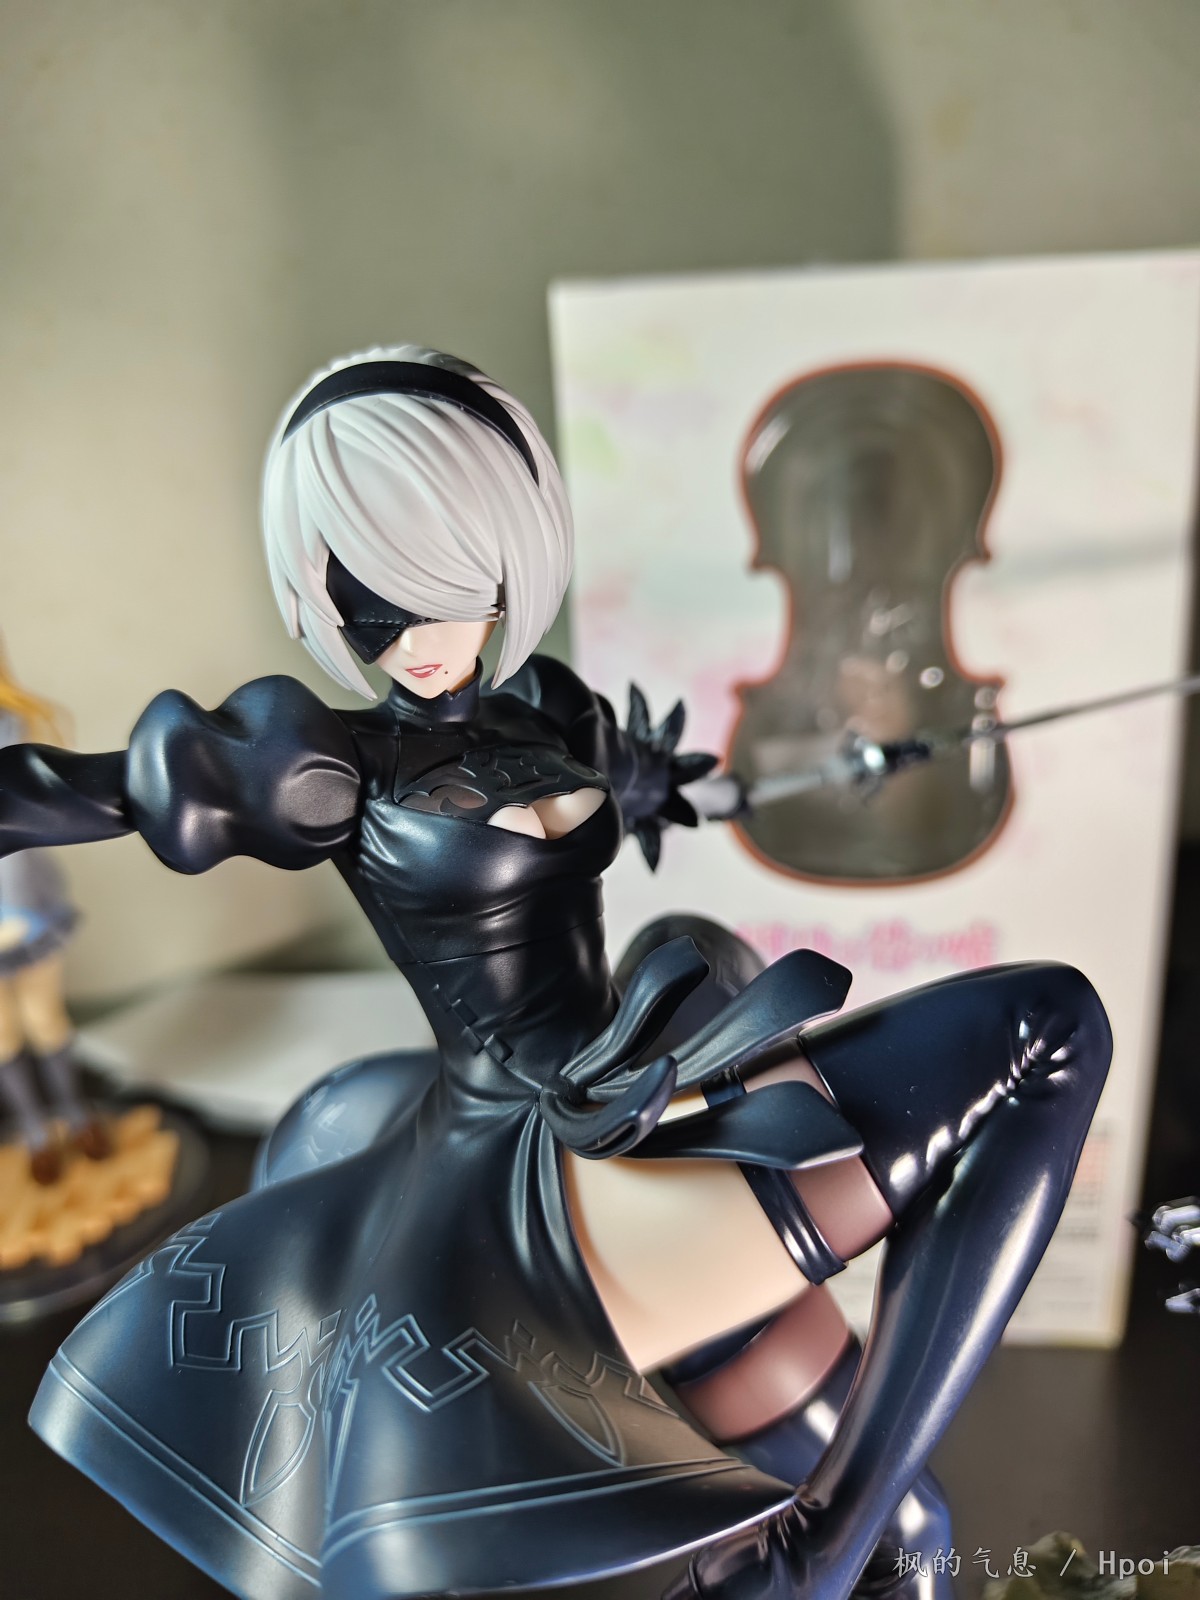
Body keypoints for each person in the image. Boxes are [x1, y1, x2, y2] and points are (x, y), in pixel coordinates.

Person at [2, 347, 1111, 1600]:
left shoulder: (548, 712)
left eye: (447, 591)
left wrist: (810, 772)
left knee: (916, 1531)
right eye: (369, 605)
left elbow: (665, 786)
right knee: (1046, 1028)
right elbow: (86, 790)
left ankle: (830, 1539)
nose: (414, 640)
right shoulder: (329, 764)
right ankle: (814, 1547)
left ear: (510, 560)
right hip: (541, 1166)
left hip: (650, 1101)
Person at [0, 641, 109, 1184]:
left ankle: (74, 1115)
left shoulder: (9, 727)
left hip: (24, 912)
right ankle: (36, 1131)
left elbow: (22, 834)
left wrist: (21, 909)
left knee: (45, 1020)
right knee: (2, 1036)